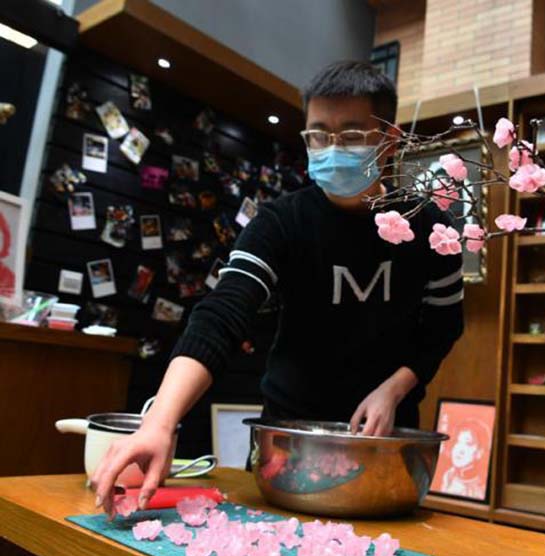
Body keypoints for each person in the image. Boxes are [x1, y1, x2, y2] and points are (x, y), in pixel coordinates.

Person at [91, 61, 464, 515]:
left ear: (389, 139)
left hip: (386, 442)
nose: (331, 148)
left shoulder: (432, 229)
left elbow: (443, 328)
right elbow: (223, 313)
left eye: (349, 135)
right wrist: (160, 422)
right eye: (318, 135)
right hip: (289, 440)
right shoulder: (281, 222)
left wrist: (393, 389)